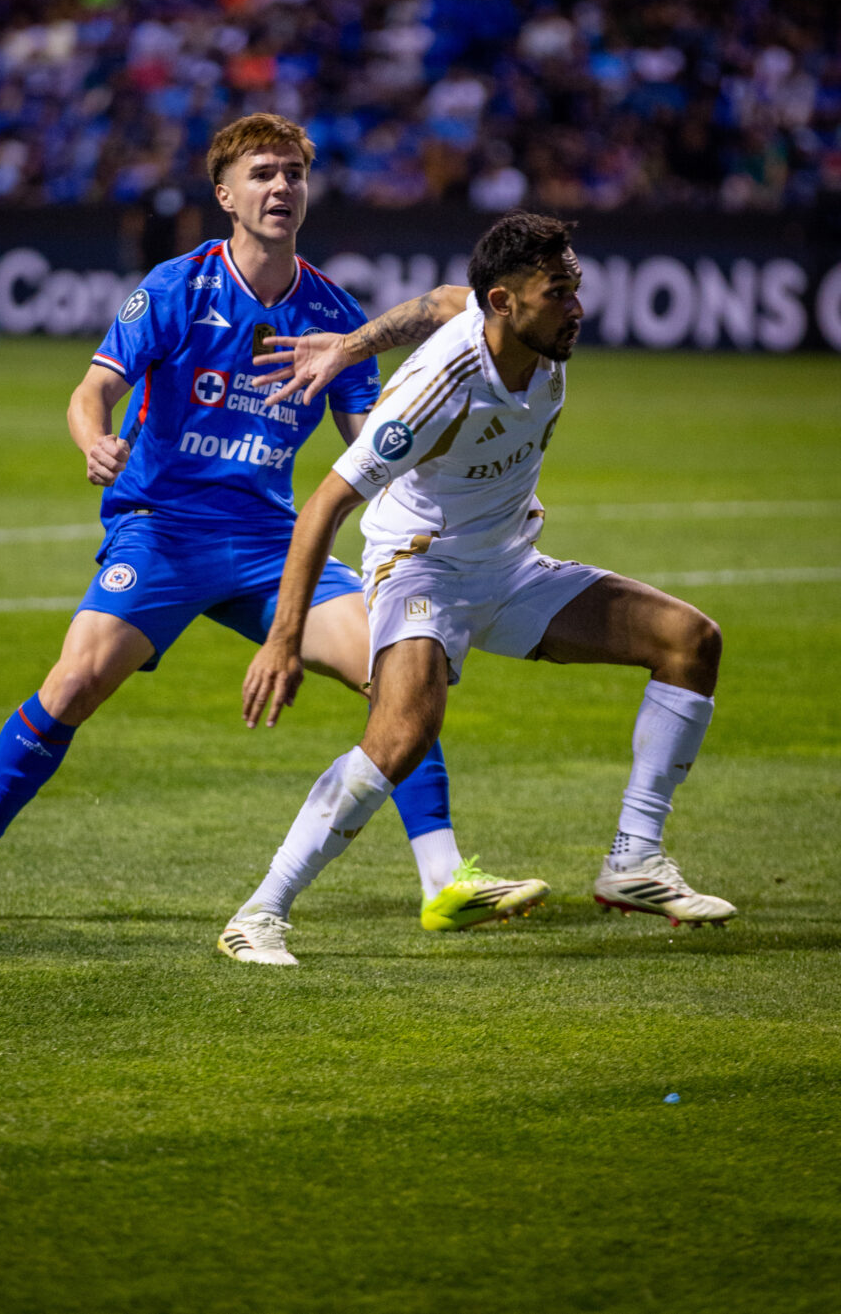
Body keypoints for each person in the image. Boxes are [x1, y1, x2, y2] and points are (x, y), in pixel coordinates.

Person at [0, 114, 547, 934]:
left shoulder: (333, 311)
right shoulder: (175, 288)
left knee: (395, 671)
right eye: (262, 174)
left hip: (268, 543)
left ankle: (443, 877)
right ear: (225, 195)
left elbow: (373, 440)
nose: (282, 187)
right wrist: (94, 440)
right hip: (163, 530)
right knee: (72, 683)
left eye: (293, 174)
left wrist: (466, 469)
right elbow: (92, 389)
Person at [218, 209, 735, 966]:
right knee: (402, 734)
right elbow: (325, 504)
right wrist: (283, 642)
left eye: (575, 288)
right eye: (558, 292)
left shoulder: (524, 329)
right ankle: (260, 913)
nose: (576, 308)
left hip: (510, 566)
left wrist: (350, 344)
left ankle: (635, 860)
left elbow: (437, 300)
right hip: (421, 567)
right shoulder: (439, 386)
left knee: (690, 642)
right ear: (504, 301)